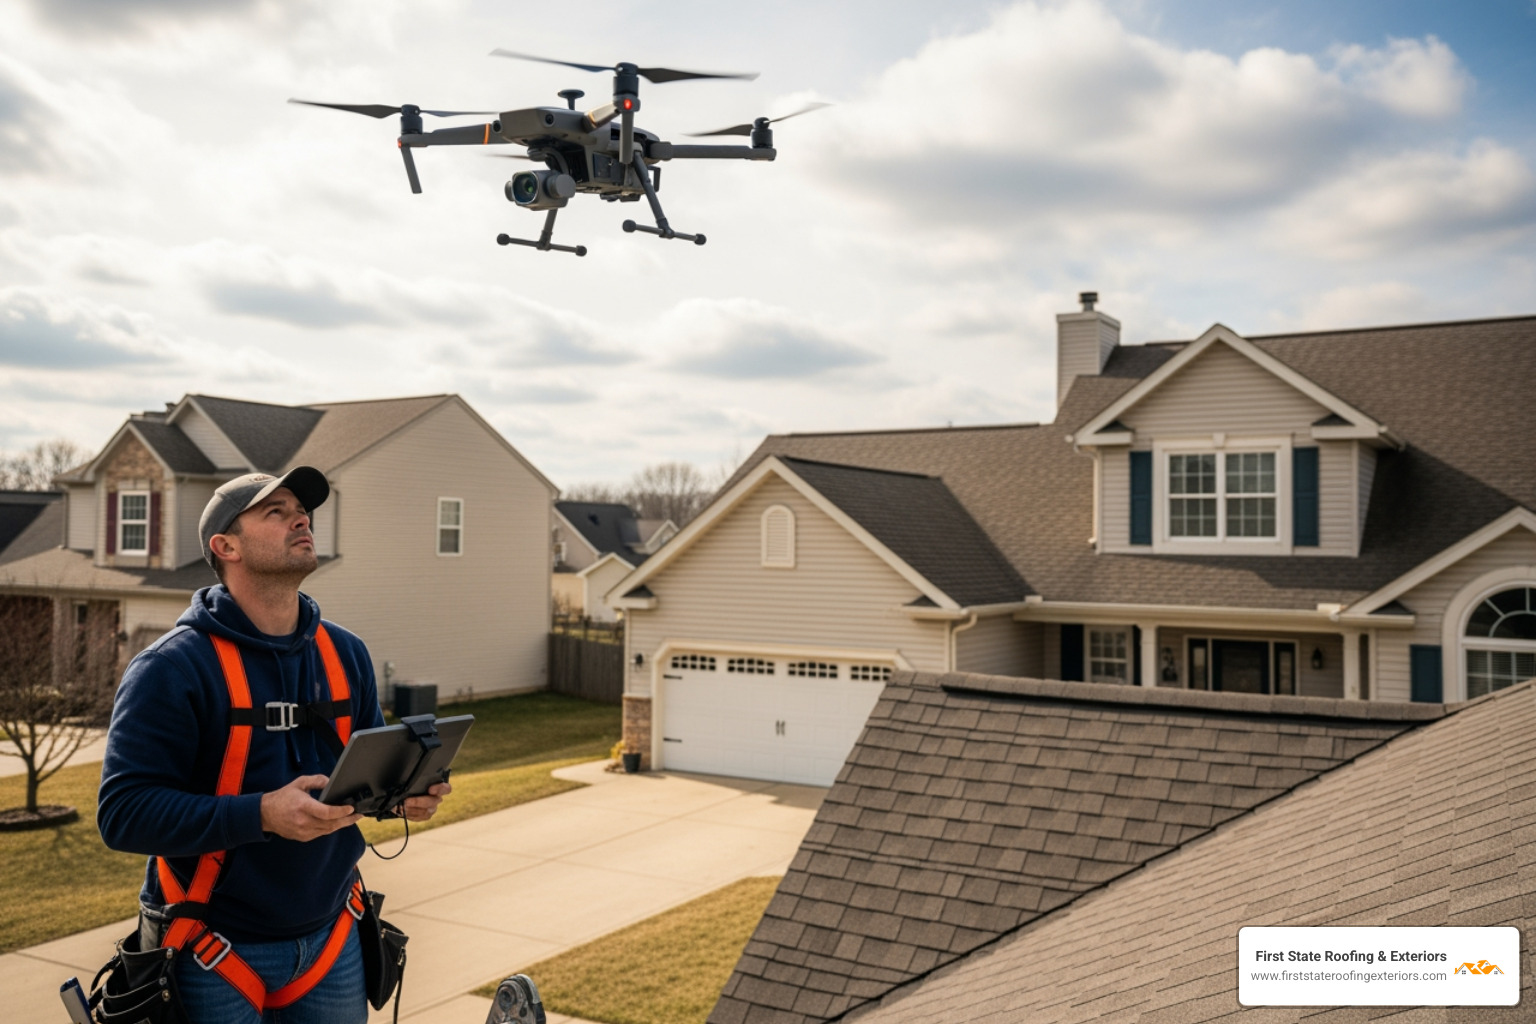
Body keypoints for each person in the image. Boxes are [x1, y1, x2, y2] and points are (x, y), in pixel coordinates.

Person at [98, 467, 450, 1024]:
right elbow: (122, 815)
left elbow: (357, 778)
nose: (300, 519)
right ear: (226, 546)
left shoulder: (345, 654)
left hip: (332, 935)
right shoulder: (172, 668)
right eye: (275, 512)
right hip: (211, 946)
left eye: (302, 511)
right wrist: (263, 813)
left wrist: (398, 798)